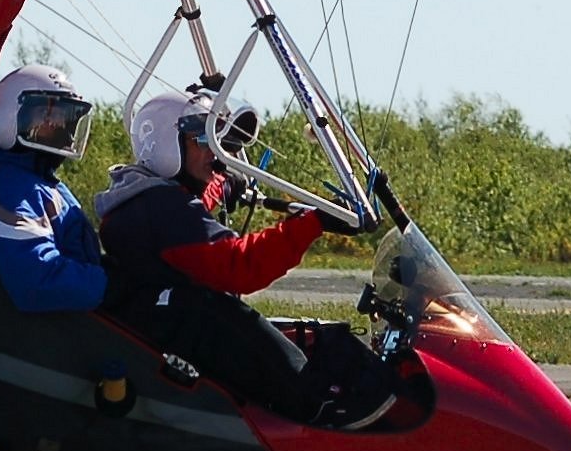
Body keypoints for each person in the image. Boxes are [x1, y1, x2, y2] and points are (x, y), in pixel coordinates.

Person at [95, 91, 395, 429]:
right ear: (166, 144)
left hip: (160, 315)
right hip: (174, 325)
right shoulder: (160, 209)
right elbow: (241, 266)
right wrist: (315, 223)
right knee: (227, 316)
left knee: (315, 336)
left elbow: (193, 202)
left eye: (217, 140)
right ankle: (312, 406)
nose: (215, 152)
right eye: (203, 139)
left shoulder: (146, 194)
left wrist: (223, 184)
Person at [0, 64, 110, 313]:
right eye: (47, 116)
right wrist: (112, 285)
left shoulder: (39, 183)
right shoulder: (10, 187)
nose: (61, 128)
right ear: (10, 117)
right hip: (26, 341)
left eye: (65, 117)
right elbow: (37, 280)